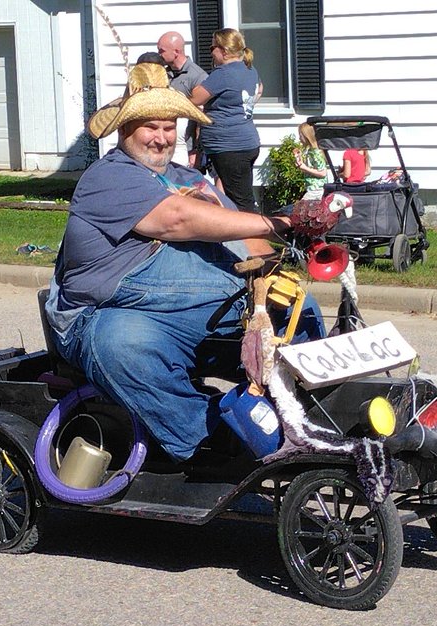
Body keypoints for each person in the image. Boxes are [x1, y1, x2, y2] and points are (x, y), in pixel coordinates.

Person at [47, 62, 323, 464]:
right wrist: (282, 220)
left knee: (293, 306)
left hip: (174, 312)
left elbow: (242, 236)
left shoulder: (190, 178)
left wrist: (285, 251)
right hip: (99, 314)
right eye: (150, 127)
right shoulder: (108, 176)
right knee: (119, 343)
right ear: (124, 130)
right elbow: (177, 219)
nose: (161, 138)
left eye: (169, 126)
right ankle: (208, 443)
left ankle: (308, 417)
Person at [190, 28, 262, 213]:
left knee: (241, 204)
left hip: (230, 147)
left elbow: (194, 99)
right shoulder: (250, 69)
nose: (211, 53)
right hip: (246, 142)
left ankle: (252, 231)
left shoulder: (223, 73)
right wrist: (244, 107)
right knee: (240, 197)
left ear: (224, 50)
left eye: (212, 48)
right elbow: (259, 89)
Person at [157, 31, 208, 168]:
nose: (159, 54)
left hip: (184, 148)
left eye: (161, 50)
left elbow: (201, 118)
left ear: (176, 52)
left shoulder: (197, 77)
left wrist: (195, 150)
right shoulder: (162, 73)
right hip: (164, 143)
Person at [293, 122, 329, 199]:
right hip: (311, 189)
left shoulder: (316, 153)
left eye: (301, 136)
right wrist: (301, 164)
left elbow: (323, 173)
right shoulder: (310, 151)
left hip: (317, 190)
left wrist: (305, 168)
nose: (299, 138)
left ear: (307, 136)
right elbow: (312, 168)